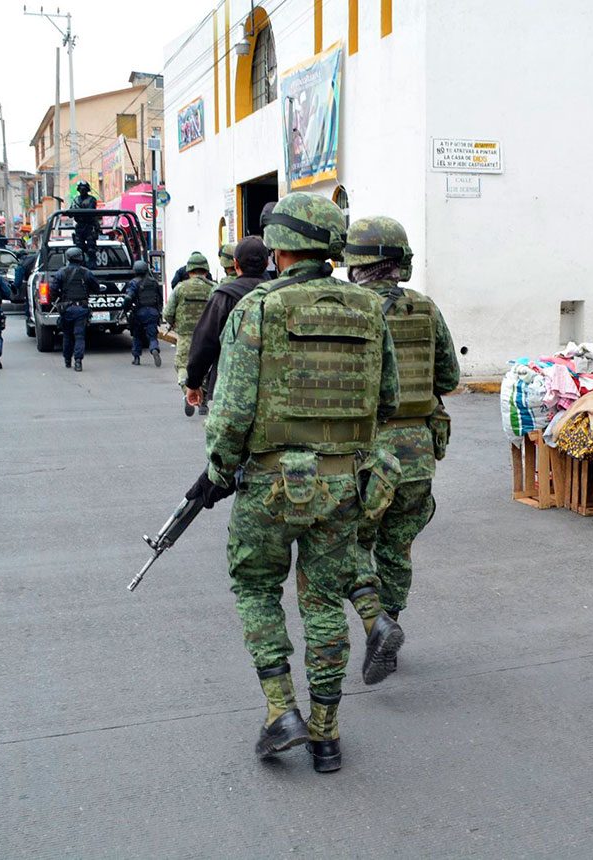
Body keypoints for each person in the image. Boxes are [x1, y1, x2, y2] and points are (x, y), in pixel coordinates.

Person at [200, 191, 399, 773]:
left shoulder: (258, 309)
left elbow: (232, 409)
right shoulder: (369, 309)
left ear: (281, 245)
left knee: (258, 587)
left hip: (268, 483)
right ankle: (328, 735)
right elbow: (385, 401)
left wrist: (218, 470)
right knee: (324, 603)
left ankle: (281, 711)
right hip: (343, 485)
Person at [340, 217, 460, 684]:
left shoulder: (350, 309)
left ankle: (375, 624)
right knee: (397, 547)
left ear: (358, 263)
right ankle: (390, 620)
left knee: (351, 545)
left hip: (363, 453)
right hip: (417, 453)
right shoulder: (424, 309)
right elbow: (447, 378)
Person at [185, 237, 270, 413]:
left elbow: (204, 342)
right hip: (271, 387)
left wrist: (193, 383)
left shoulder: (223, 297)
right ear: (267, 262)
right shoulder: (277, 294)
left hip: (228, 386)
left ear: (236, 264)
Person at [164, 251, 216, 416]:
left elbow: (167, 312)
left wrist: (173, 323)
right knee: (207, 368)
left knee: (182, 365)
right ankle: (204, 401)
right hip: (208, 336)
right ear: (206, 270)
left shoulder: (180, 288)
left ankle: (189, 391)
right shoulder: (213, 288)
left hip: (186, 336)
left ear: (189, 271)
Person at [50, 245, 100, 372]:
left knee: (67, 335)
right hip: (81, 309)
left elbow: (53, 290)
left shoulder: (61, 272)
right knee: (79, 335)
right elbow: (96, 287)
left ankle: (67, 360)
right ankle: (78, 361)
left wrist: (56, 302)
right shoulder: (86, 272)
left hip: (66, 309)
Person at [121, 259, 164, 367]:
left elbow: (128, 298)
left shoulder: (134, 283)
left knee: (137, 335)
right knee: (152, 335)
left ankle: (136, 357)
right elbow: (160, 297)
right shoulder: (154, 282)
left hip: (140, 312)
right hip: (153, 312)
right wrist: (159, 311)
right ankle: (154, 349)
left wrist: (125, 309)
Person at [70, 180, 100, 259]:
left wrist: (79, 211)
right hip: (80, 226)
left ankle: (92, 263)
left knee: (91, 248)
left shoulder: (91, 199)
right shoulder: (76, 200)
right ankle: (81, 263)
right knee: (79, 249)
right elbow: (70, 212)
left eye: (83, 189)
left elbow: (90, 211)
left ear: (87, 189)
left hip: (89, 226)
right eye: (80, 189)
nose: (82, 190)